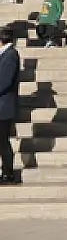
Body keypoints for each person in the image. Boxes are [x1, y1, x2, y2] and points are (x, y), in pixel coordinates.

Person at [0, 26, 17, 183]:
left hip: (3, 107)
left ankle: (8, 173)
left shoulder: (10, 55)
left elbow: (4, 81)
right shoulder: (5, 54)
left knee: (3, 141)